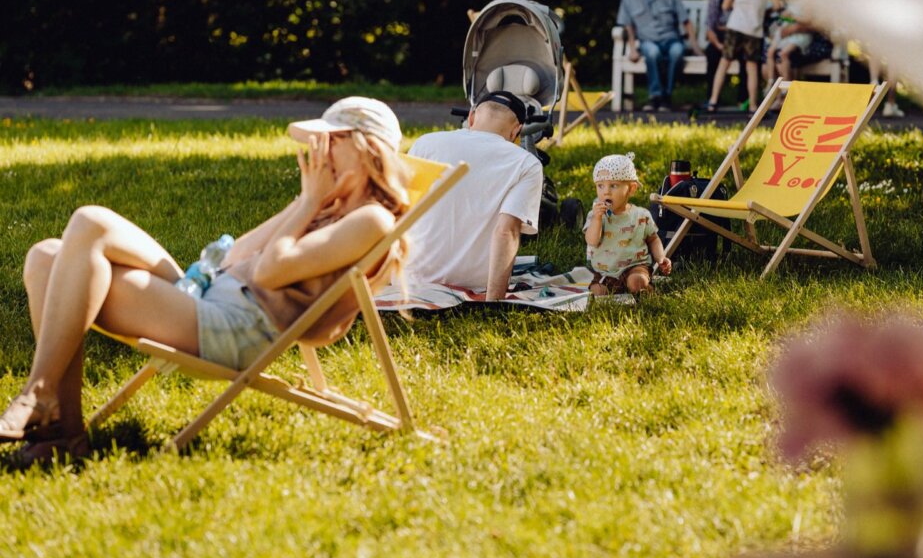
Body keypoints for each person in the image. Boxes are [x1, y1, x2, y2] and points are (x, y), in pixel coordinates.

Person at [0, 96, 412, 465]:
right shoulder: (324, 205)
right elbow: (238, 253)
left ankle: (42, 398)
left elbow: (269, 271)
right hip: (210, 295)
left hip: (234, 329)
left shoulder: (371, 219)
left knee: (89, 223)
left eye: (330, 142)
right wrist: (307, 204)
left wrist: (306, 203)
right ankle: (61, 430)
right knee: (46, 256)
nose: (317, 153)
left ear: (365, 148)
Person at [404, 90, 543, 300]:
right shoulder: (526, 163)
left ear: (471, 117)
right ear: (517, 131)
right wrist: (493, 303)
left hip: (412, 279)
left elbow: (401, 209)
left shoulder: (425, 143)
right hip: (475, 283)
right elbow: (506, 232)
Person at [616, 0, 698, 111]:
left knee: (677, 52)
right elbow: (629, 26)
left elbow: (685, 21)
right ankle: (655, 96)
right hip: (648, 41)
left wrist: (695, 47)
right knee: (652, 53)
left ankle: (667, 95)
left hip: (671, 39)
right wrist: (632, 49)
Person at [584, 152, 671, 296]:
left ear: (631, 189)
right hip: (605, 272)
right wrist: (597, 219)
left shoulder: (641, 215)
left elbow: (653, 239)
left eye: (613, 185)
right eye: (600, 186)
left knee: (636, 282)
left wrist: (660, 258)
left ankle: (644, 289)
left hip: (635, 266)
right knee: (597, 292)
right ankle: (621, 289)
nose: (606, 192)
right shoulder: (595, 216)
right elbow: (592, 241)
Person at [704, 0, 781, 113]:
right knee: (751, 67)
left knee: (724, 63)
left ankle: (713, 101)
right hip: (754, 29)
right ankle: (753, 105)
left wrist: (740, 5)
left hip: (735, 26)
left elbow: (725, 6)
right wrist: (763, 10)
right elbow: (777, 5)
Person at [704, 0, 749, 108]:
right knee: (712, 54)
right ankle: (712, 98)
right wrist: (719, 45)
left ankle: (744, 99)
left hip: (741, 39)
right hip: (722, 39)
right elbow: (709, 27)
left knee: (748, 59)